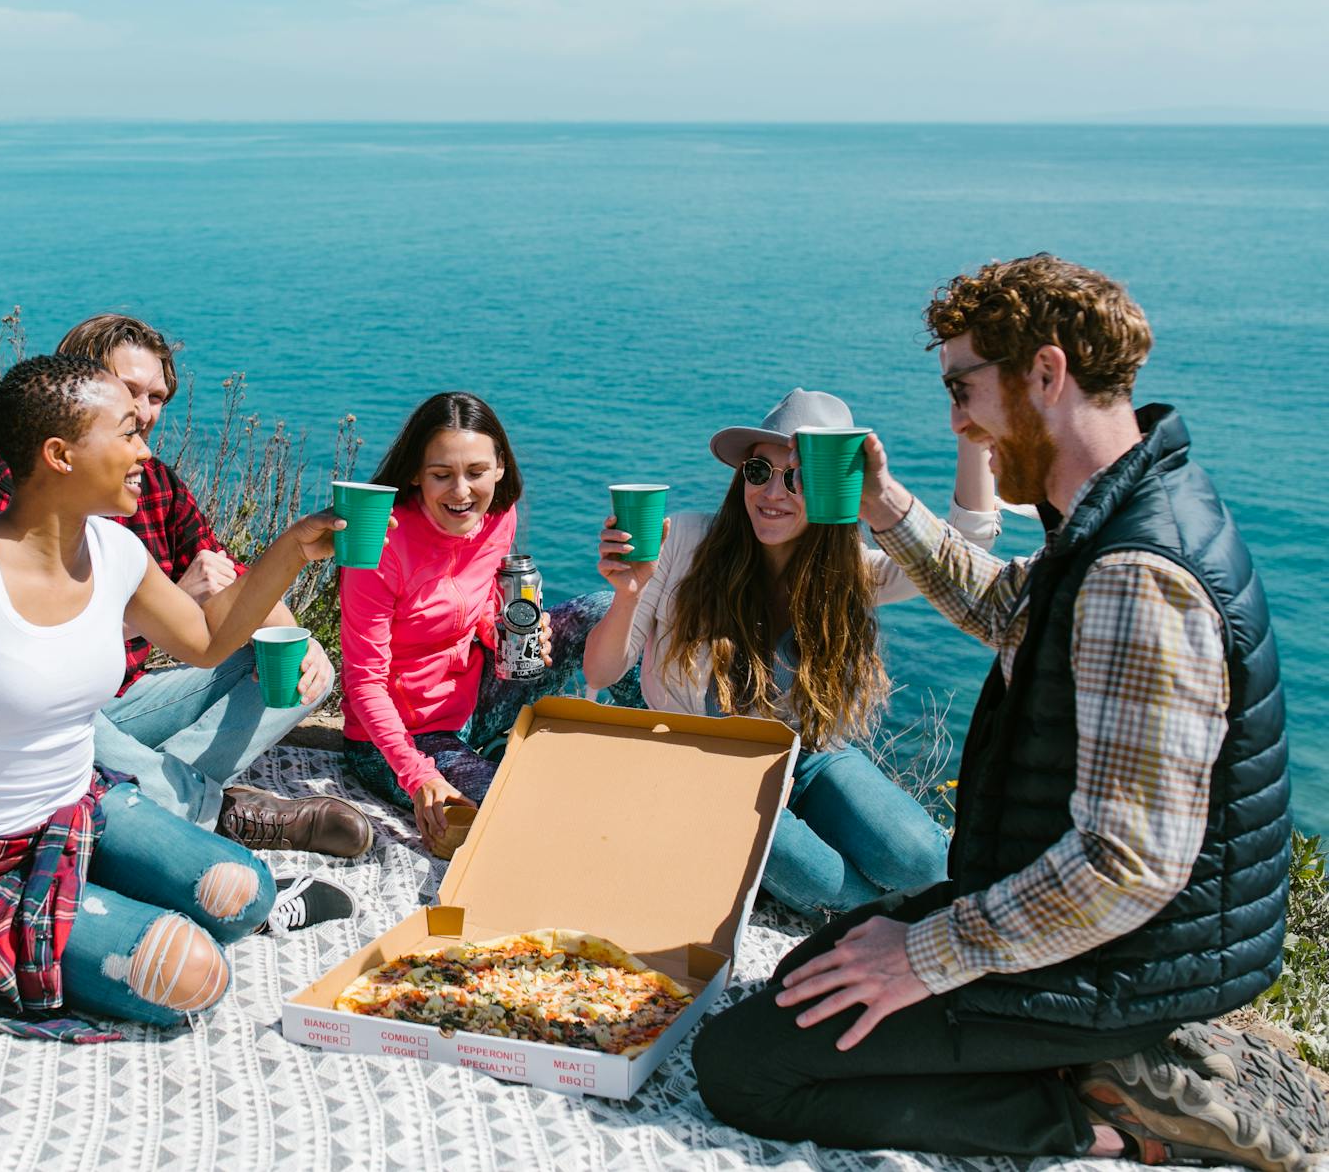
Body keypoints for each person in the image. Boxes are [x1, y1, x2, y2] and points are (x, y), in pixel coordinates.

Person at [691, 255, 1315, 1170]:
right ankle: (1083, 1062)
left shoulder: (1137, 576)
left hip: (1117, 957)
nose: (958, 421)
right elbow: (1002, 607)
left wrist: (925, 954)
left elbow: (1126, 867)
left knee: (742, 1066)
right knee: (809, 974)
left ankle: (1111, 1119)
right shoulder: (1119, 514)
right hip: (1115, 936)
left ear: (1047, 373)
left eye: (963, 388)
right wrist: (884, 504)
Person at [0, 354, 360, 1037]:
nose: (143, 450)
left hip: (82, 810)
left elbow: (205, 642)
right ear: (60, 454)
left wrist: (291, 550)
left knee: (245, 894)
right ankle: (76, 914)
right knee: (194, 978)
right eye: (127, 432)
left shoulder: (114, 550)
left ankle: (96, 898)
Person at [0, 314, 370, 859]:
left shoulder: (155, 483)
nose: (144, 413)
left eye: (157, 396)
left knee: (300, 668)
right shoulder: (11, 488)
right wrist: (174, 602)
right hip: (48, 712)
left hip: (129, 702)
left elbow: (234, 586)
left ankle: (135, 799)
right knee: (62, 719)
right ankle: (209, 811)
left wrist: (296, 639)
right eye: (130, 392)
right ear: (84, 387)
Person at [582, 389, 999, 917]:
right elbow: (600, 669)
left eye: (798, 475)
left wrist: (974, 433)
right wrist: (629, 593)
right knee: (830, 891)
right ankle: (906, 937)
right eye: (759, 471)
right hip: (708, 769)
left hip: (809, 757)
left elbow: (965, 551)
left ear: (835, 488)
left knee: (923, 862)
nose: (773, 492)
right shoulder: (683, 540)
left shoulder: (852, 571)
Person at [337, 392, 635, 852]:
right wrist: (418, 774)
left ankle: (654, 751)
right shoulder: (378, 544)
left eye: (476, 473)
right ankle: (488, 763)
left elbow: (477, 610)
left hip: (475, 698)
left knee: (600, 608)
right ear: (416, 475)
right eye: (442, 475)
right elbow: (363, 682)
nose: (461, 492)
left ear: (500, 467)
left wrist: (507, 638)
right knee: (514, 808)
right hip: (403, 738)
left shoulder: (498, 517)